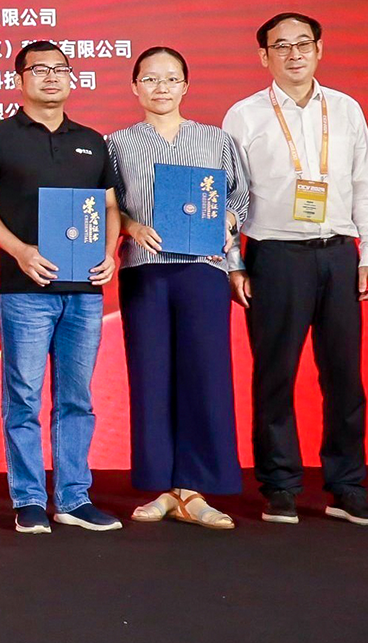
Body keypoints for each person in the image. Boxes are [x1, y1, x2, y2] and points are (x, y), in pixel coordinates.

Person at [223, 12, 368, 526]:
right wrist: (233, 263)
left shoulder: (345, 109)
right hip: (274, 257)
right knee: (275, 375)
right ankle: (280, 486)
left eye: (303, 43)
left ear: (319, 49)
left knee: (344, 377)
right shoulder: (244, 115)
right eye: (281, 46)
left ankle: (347, 487)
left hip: (338, 254)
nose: (293, 54)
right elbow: (229, 196)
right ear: (263, 56)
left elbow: (367, 186)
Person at [0, 40, 122, 535]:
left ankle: (74, 497)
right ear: (19, 79)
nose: (52, 76)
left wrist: (110, 252)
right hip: (25, 287)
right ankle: (29, 498)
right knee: (24, 397)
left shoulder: (92, 141)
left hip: (85, 290)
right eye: (39, 69)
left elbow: (111, 207)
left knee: (77, 398)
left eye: (60, 68)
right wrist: (20, 251)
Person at [108, 47, 249, 530]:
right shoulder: (116, 144)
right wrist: (130, 226)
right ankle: (163, 488)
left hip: (203, 270)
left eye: (171, 78)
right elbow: (110, 204)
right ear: (135, 87)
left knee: (205, 375)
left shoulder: (216, 140)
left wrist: (227, 222)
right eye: (150, 79)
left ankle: (194, 488)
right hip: (144, 270)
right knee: (150, 377)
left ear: (186, 86)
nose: (161, 87)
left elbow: (240, 197)